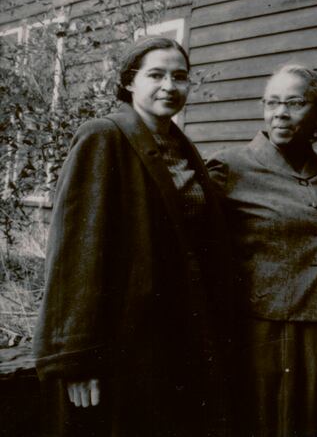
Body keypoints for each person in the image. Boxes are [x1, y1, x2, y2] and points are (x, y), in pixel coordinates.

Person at [34, 37, 232, 437]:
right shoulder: (103, 137)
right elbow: (75, 253)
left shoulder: (180, 146)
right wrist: (76, 359)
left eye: (180, 77)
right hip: (119, 346)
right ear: (129, 83)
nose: (169, 86)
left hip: (173, 342)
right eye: (155, 75)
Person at [207, 64, 317, 437]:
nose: (280, 113)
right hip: (265, 333)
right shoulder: (230, 167)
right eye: (272, 102)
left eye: (294, 103)